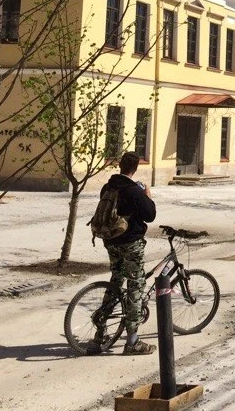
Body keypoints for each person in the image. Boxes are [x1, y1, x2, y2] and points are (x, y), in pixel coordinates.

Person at [90, 151, 157, 355]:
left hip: (111, 242)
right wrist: (148, 196)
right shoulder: (134, 191)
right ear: (135, 168)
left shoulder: (108, 187)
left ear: (120, 166)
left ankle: (100, 333)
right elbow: (150, 215)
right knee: (136, 285)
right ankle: (133, 342)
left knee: (116, 281)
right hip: (131, 243)